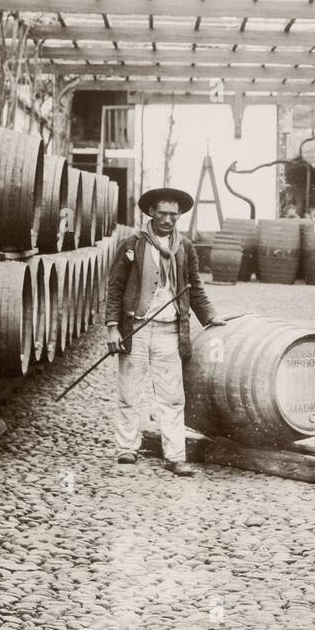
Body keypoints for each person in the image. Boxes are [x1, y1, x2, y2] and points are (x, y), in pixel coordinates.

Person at [104, 186, 226, 476]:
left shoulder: (184, 248)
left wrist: (210, 317)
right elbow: (115, 288)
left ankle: (175, 456)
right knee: (129, 392)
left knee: (172, 396)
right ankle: (126, 448)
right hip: (136, 329)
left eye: (175, 214)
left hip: (170, 331)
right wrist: (112, 328)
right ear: (151, 213)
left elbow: (194, 288)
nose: (169, 220)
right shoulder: (132, 244)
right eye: (164, 214)